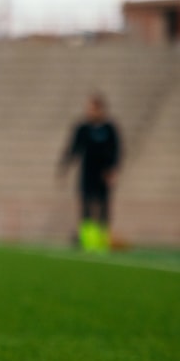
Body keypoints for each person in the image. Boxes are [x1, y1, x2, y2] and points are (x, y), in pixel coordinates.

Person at [57, 93, 122, 252]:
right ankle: (88, 241)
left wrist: (113, 169)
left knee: (103, 205)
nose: (91, 111)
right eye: (89, 108)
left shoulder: (109, 129)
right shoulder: (83, 128)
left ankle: (102, 240)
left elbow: (116, 150)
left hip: (104, 173)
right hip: (87, 172)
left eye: (94, 108)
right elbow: (74, 148)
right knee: (86, 204)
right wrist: (64, 167)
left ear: (101, 109)